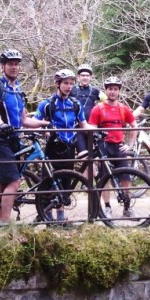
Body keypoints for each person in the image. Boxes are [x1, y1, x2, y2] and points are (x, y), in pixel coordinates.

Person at [0, 49, 50, 224]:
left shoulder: (19, 90)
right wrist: (1, 124)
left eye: (16, 64)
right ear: (3, 67)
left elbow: (24, 120)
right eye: (10, 64)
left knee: (5, 181)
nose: (14, 67)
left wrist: (46, 124)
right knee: (14, 182)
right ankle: (4, 224)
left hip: (13, 138)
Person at [34, 69, 93, 222]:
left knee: (66, 182)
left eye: (71, 84)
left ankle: (61, 217)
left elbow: (83, 124)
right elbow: (35, 122)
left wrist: (100, 131)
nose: (69, 86)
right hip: (53, 147)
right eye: (65, 83)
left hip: (69, 146)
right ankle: (47, 217)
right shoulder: (47, 104)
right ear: (57, 84)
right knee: (48, 182)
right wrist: (45, 130)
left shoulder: (75, 104)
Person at [87, 76, 137, 218]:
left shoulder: (123, 109)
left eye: (115, 89)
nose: (112, 92)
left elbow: (134, 126)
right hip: (104, 146)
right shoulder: (98, 109)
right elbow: (92, 130)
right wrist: (94, 152)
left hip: (119, 146)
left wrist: (130, 145)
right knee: (104, 178)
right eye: (110, 89)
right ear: (106, 90)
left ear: (119, 91)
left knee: (125, 178)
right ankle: (107, 207)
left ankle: (127, 208)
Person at [70, 63, 101, 155]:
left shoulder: (95, 90)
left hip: (92, 126)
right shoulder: (72, 89)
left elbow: (107, 101)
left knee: (95, 154)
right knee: (83, 154)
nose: (85, 77)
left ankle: (93, 169)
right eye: (83, 75)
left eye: (87, 75)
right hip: (77, 127)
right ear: (78, 77)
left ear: (91, 77)